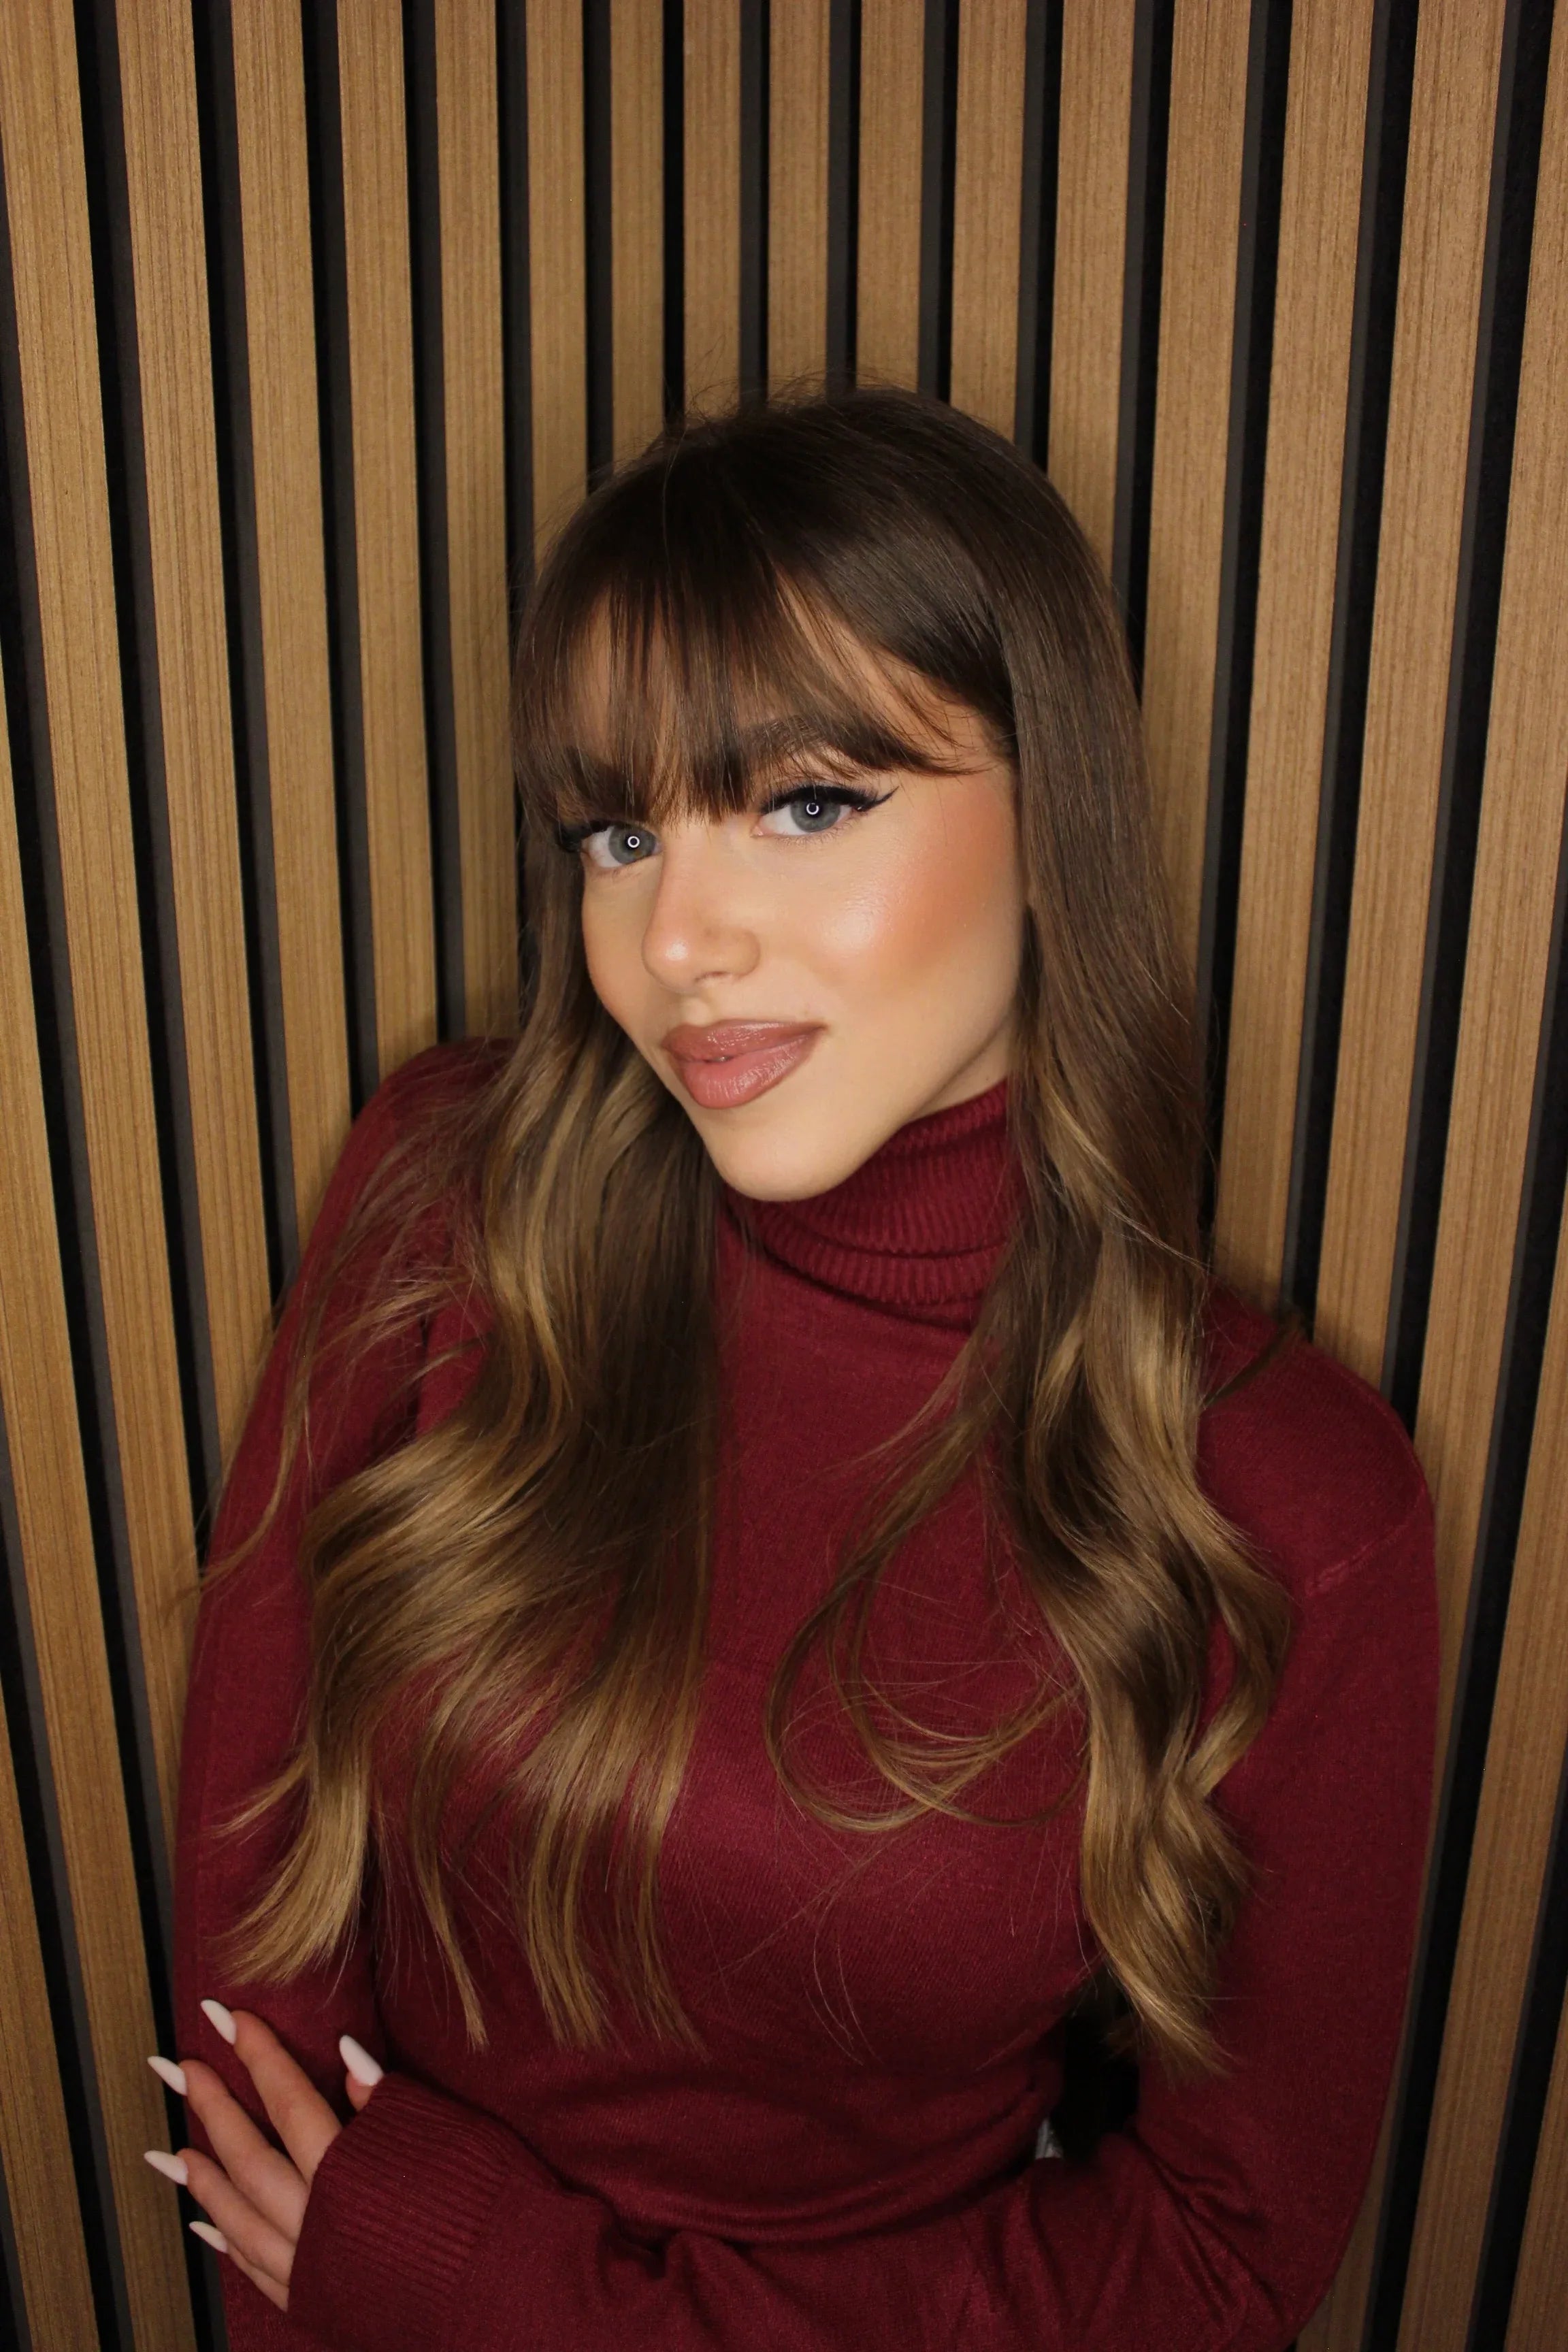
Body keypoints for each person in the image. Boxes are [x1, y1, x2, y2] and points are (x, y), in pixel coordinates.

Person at [146, 389, 1437, 2351]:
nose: (678, 939)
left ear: (1056, 815)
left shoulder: (1292, 1499)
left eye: (807, 804)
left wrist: (503, 2295)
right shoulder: (445, 1192)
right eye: (618, 831)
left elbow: (1213, 2258)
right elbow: (261, 1955)